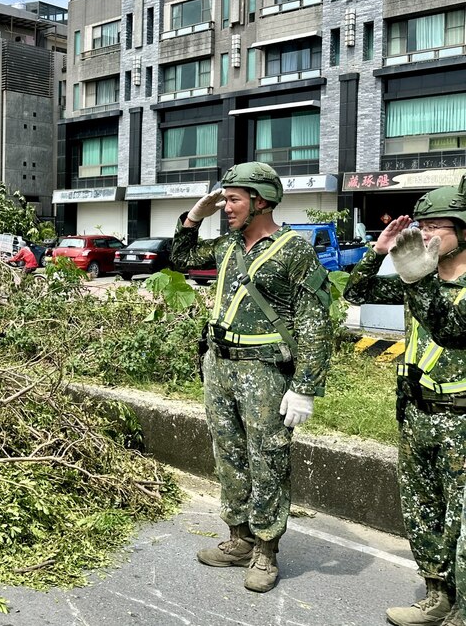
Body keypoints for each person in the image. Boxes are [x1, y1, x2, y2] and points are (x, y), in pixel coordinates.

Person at [169, 161, 332, 593]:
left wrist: (305, 387)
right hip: (219, 365)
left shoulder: (294, 250)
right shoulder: (228, 245)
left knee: (268, 458)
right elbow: (181, 257)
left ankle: (265, 549)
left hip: (264, 371)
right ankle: (239, 539)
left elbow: (315, 322)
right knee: (229, 454)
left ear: (262, 202)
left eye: (234, 200)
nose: (226, 207)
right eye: (225, 200)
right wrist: (193, 217)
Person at [345, 184, 466, 626]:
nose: (425, 235)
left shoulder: (428, 284)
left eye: (437, 227)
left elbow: (450, 328)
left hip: (461, 419)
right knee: (422, 510)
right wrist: (377, 252)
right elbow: (356, 293)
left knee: (462, 524)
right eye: (422, 226)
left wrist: (419, 278)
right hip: (417, 413)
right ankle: (437, 596)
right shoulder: (416, 281)